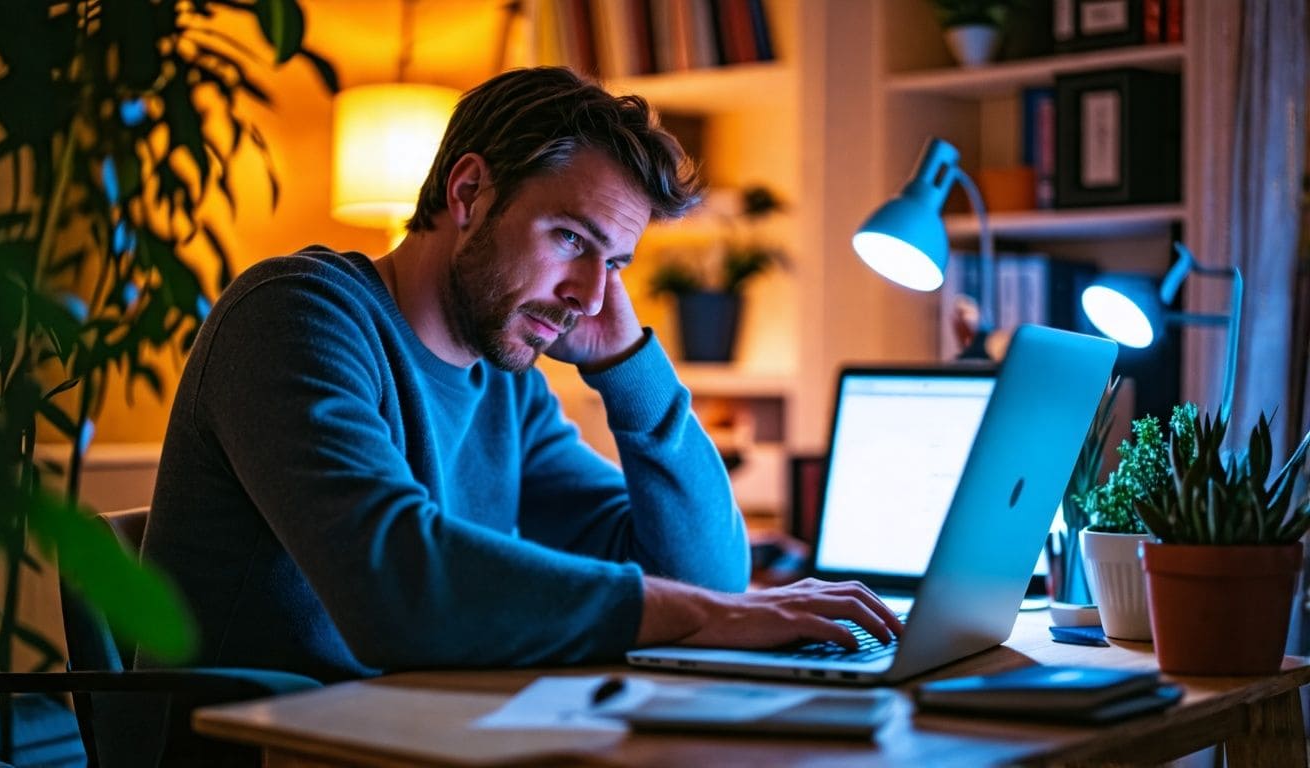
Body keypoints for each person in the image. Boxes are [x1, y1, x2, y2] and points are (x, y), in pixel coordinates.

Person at [143, 66, 902, 682]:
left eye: (615, 263)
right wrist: (709, 615)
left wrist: (626, 362)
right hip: (257, 749)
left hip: (411, 728)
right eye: (571, 238)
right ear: (468, 192)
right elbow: (393, 587)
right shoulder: (296, 317)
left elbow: (705, 574)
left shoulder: (504, 379)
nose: (590, 294)